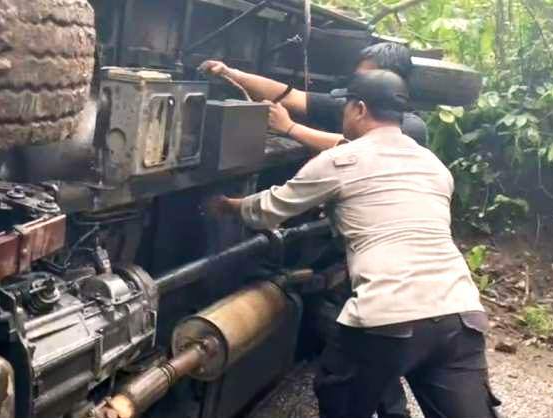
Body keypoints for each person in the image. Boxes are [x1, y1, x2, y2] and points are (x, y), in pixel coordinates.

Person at [208, 70, 500, 418]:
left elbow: (269, 210)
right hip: (460, 313)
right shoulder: (434, 166)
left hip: (387, 316)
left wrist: (228, 206)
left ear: (359, 109)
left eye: (344, 108)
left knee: (342, 395)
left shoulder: (339, 161)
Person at [199, 42, 428, 149]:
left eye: (369, 78)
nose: (360, 84)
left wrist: (290, 128)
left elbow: (354, 147)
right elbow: (291, 96)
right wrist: (233, 74)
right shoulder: (354, 105)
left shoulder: (412, 128)